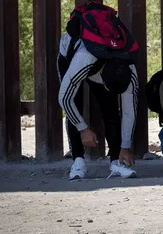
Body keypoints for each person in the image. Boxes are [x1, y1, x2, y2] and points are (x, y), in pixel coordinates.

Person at [57, 32, 138, 180]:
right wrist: (83, 128)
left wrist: (125, 146)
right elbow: (64, 98)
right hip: (74, 56)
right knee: (75, 103)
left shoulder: (129, 71)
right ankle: (78, 161)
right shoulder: (84, 60)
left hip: (105, 60)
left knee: (111, 109)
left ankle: (116, 161)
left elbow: (129, 111)